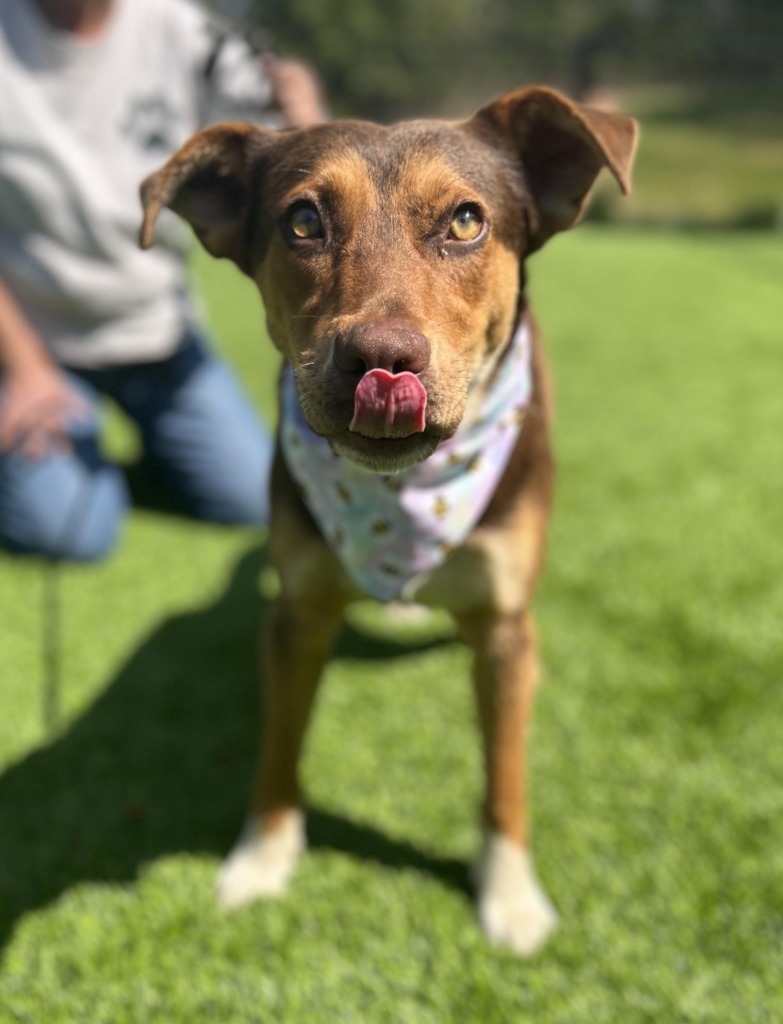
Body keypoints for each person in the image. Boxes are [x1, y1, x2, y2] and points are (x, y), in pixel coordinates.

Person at [0, 0, 324, 561]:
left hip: (160, 334)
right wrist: (24, 369)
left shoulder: (183, 29)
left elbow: (290, 150)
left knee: (255, 500)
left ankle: (107, 467)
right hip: (39, 345)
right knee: (68, 534)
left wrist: (305, 113)